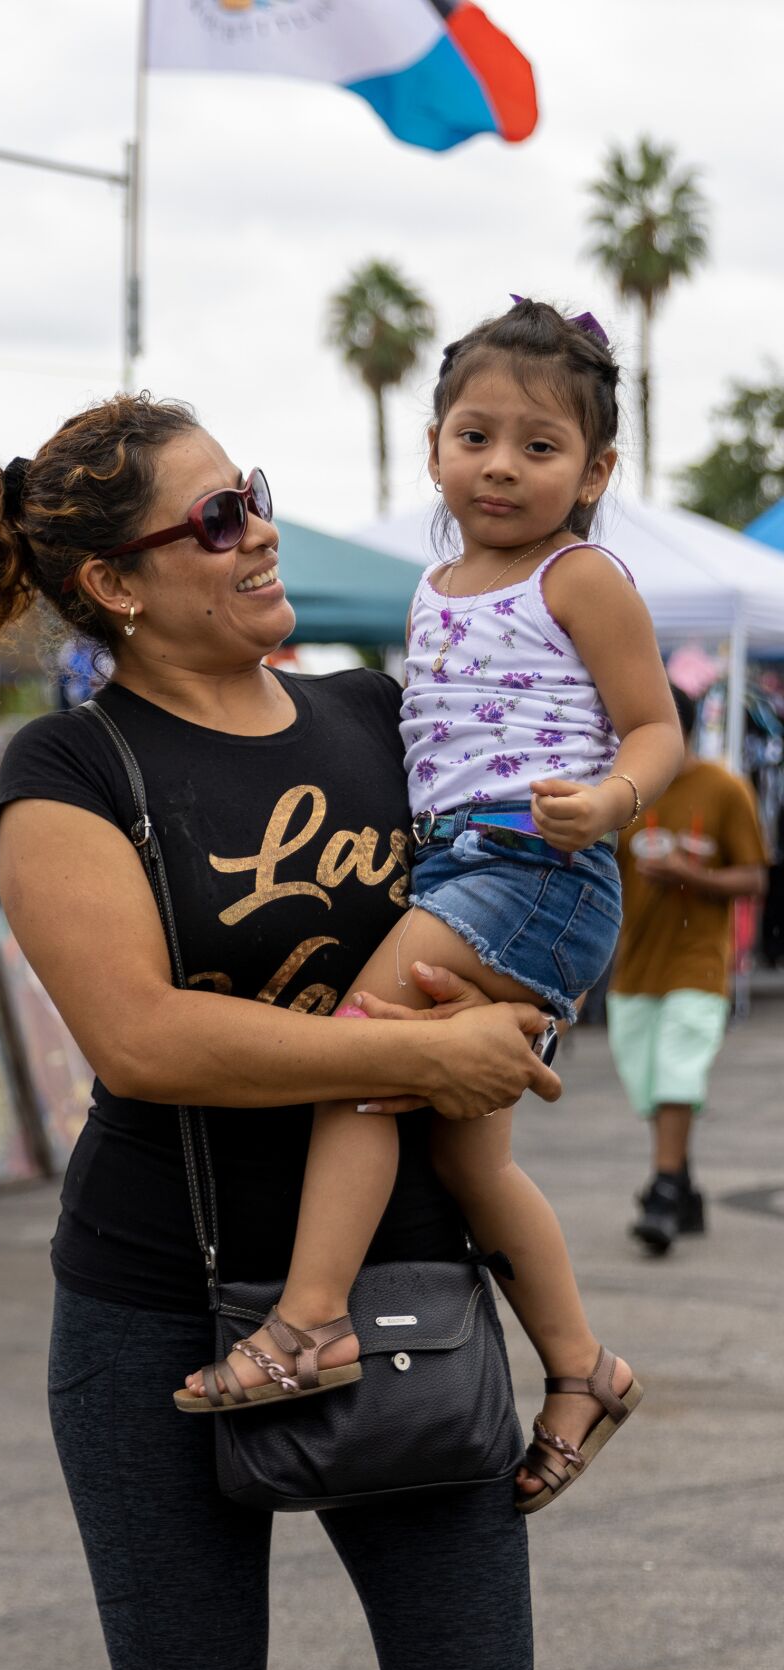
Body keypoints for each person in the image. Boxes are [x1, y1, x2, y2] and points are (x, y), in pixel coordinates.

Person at [0, 392, 560, 1670]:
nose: (261, 531)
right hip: (156, 1302)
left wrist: (523, 1013)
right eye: (219, 518)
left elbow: (520, 900)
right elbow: (143, 1035)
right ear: (115, 581)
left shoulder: (383, 711)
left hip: (407, 1288)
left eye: (252, 491)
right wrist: (420, 1055)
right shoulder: (68, 768)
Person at [183, 299, 683, 1516]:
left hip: (537, 870)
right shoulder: (437, 583)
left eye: (540, 445)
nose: (502, 464)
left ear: (596, 470)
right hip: (458, 871)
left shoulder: (584, 576)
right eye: (476, 434)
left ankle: (309, 1323)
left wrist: (611, 799)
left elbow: (658, 725)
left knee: (366, 1054)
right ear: (434, 447)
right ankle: (583, 1369)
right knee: (466, 1153)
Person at [608, 683, 769, 1253]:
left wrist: (689, 873)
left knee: (677, 1072)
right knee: (650, 1083)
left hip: (699, 962)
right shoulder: (623, 792)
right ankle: (685, 1182)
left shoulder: (724, 789)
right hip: (634, 964)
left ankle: (664, 1193)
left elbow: (754, 877)